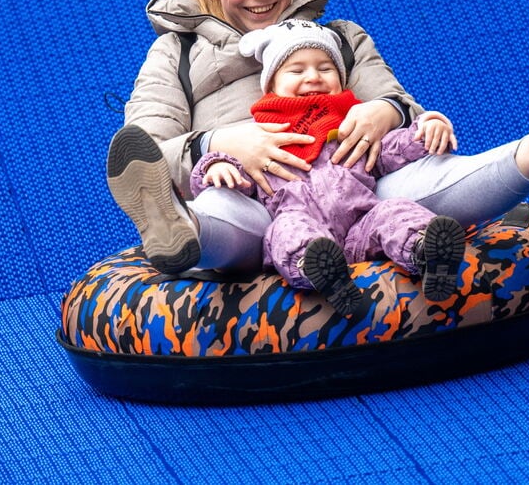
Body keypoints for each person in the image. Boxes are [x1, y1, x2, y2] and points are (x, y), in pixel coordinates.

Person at [106, 0, 529, 303]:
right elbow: (143, 150)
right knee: (225, 209)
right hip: (258, 197)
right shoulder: (177, 54)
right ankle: (184, 234)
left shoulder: (339, 39)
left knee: (423, 178)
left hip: (357, 184)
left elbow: (404, 111)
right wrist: (223, 142)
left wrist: (386, 111)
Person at [187, 19, 466, 314]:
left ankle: (428, 252)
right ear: (271, 84)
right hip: (300, 220)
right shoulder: (260, 138)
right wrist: (216, 166)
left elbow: (388, 151)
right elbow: (240, 175)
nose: (313, 77)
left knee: (394, 210)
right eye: (296, 70)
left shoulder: (352, 128)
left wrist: (424, 131)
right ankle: (322, 272)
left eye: (325, 68)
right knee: (286, 230)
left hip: (362, 222)